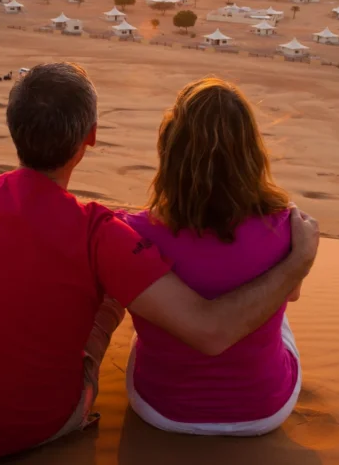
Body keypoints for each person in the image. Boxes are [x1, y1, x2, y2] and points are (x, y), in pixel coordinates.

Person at [0, 63, 318, 460]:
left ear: (12, 126)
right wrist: (298, 259)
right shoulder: (100, 231)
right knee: (133, 274)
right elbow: (210, 331)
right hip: (44, 426)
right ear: (92, 136)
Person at [121, 77, 316, 436]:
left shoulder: (130, 233)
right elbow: (291, 292)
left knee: (146, 319)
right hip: (264, 411)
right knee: (279, 304)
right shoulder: (289, 227)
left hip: (161, 410)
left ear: (169, 148)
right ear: (251, 153)